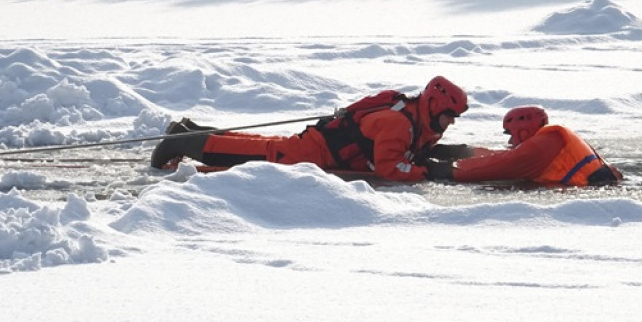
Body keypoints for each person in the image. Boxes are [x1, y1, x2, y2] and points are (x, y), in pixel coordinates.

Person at [150, 75, 469, 183]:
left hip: (322, 145)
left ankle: (189, 130)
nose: (451, 122)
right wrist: (429, 173)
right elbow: (389, 166)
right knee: (256, 155)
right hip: (318, 152)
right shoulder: (399, 124)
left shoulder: (415, 117)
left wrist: (442, 154)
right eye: (449, 115)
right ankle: (181, 141)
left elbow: (411, 151)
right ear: (434, 107)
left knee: (260, 146)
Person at [425, 106, 623, 186]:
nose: (510, 142)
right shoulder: (549, 140)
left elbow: (500, 165)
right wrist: (451, 151)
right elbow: (500, 156)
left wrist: (442, 170)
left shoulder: (541, 146)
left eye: (511, 135)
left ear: (523, 130)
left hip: (592, 193)